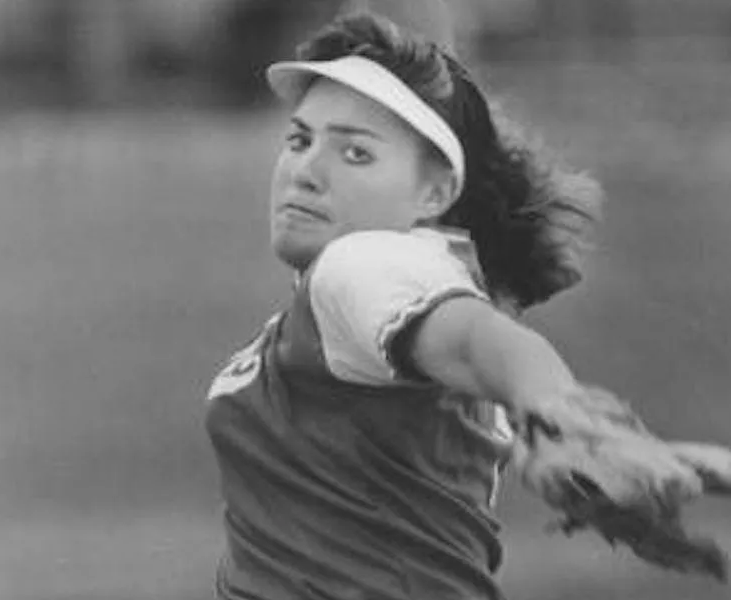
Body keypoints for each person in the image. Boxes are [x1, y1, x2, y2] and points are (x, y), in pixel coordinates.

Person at [205, 10, 602, 600]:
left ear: (436, 192)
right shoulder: (413, 282)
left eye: (355, 153)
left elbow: (479, 342)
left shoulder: (359, 269)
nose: (306, 171)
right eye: (299, 139)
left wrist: (558, 411)